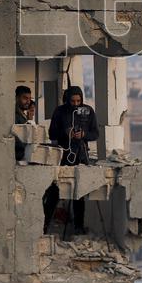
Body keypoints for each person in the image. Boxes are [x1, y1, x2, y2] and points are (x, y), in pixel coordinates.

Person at [42, 86, 100, 235]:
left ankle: (78, 227)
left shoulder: (88, 111)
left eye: (78, 101)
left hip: (80, 156)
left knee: (79, 193)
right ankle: (44, 225)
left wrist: (83, 135)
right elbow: (52, 133)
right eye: (72, 101)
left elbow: (95, 133)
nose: (75, 104)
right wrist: (65, 132)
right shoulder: (59, 111)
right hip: (62, 156)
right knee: (54, 191)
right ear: (67, 100)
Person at [14, 85, 35, 161]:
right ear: (17, 98)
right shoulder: (14, 115)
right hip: (18, 157)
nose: (28, 102)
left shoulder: (23, 115)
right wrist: (29, 122)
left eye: (29, 99)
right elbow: (20, 138)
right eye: (25, 98)